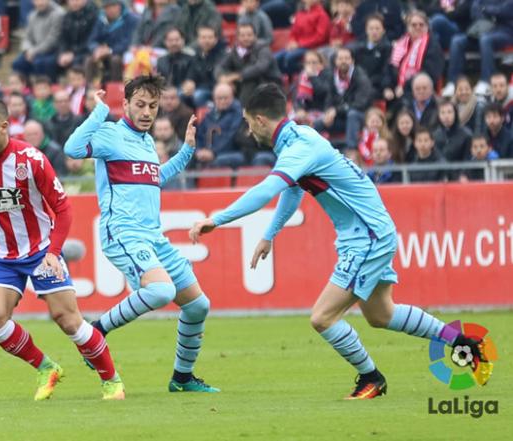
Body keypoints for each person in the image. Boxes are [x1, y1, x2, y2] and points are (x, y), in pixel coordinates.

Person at [189, 83, 491, 400]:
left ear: (262, 120)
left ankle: (371, 379)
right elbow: (292, 191)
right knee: (381, 315)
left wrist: (216, 218)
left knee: (322, 317)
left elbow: (266, 190)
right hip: (370, 232)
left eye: (250, 124)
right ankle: (463, 343)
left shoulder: (300, 148)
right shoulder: (301, 139)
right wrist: (269, 235)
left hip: (367, 237)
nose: (250, 133)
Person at [0, 95, 125, 401]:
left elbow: (63, 208)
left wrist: (53, 252)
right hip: (0, 255)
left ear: (4, 126)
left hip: (40, 249)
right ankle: (47, 368)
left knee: (68, 319)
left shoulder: (31, 160)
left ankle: (111, 380)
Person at [64, 75, 219, 393]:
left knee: (198, 305)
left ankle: (182, 378)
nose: (147, 112)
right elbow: (72, 148)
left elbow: (155, 178)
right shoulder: (109, 134)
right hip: (123, 232)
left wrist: (187, 151)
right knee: (161, 291)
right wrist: (98, 113)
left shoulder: (147, 143)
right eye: (140, 105)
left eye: (152, 106)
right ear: (125, 105)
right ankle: (96, 331)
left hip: (154, 237)